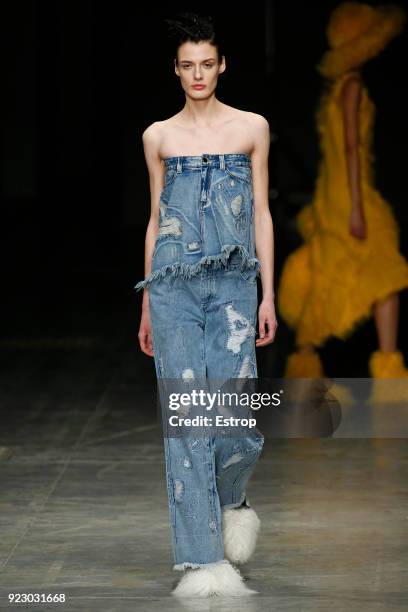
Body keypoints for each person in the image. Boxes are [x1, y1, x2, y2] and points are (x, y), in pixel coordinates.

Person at [135, 13, 277, 598]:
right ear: (176, 69)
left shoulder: (251, 128)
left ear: (222, 65)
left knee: (234, 419)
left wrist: (269, 292)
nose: (198, 74)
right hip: (172, 290)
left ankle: (233, 501)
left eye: (207, 64)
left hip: (236, 287)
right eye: (187, 65)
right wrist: (145, 304)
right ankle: (200, 561)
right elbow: (154, 221)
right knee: (188, 422)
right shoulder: (158, 137)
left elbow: (263, 213)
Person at [277, 2, 408, 385]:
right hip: (351, 195)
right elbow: (350, 147)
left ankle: (304, 362)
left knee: (330, 269)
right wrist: (356, 208)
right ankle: (388, 370)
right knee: (386, 273)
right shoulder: (351, 86)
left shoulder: (333, 90)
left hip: (332, 193)